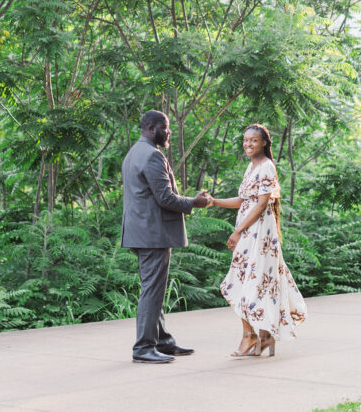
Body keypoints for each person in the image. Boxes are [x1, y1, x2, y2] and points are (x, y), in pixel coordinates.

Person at [121, 109, 212, 364]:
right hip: (152, 234)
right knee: (152, 291)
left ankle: (162, 341)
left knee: (155, 290)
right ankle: (143, 347)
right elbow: (165, 198)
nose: (168, 131)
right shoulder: (152, 156)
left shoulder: (133, 154)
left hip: (140, 232)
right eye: (165, 127)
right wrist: (194, 202)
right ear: (151, 128)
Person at [211, 123, 307, 358]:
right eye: (245, 140)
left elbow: (262, 203)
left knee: (247, 283)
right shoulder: (252, 166)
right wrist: (215, 201)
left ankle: (252, 336)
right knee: (250, 283)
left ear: (264, 142)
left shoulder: (266, 167)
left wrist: (238, 231)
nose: (248, 144)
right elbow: (244, 201)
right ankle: (262, 337)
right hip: (249, 232)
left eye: (253, 140)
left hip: (259, 234)